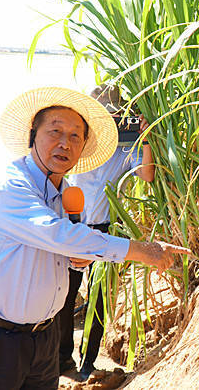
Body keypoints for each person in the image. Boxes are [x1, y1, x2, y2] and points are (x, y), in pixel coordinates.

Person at [0, 87, 190, 390]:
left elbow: (58, 246)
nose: (65, 142)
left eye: (76, 136)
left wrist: (74, 258)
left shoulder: (64, 193)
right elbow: (56, 233)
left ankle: (79, 359)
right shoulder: (10, 188)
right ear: (32, 135)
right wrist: (146, 251)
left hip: (42, 339)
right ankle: (69, 358)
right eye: (55, 131)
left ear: (85, 146)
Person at [57, 84, 154, 381]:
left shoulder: (129, 144)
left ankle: (87, 363)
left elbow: (147, 176)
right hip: (72, 227)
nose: (107, 121)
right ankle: (63, 360)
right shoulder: (80, 142)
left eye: (112, 115)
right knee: (64, 297)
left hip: (105, 230)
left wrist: (146, 138)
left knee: (98, 302)